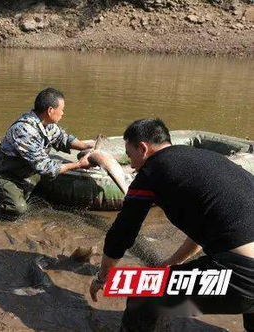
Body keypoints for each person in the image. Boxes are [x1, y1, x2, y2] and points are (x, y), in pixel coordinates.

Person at [89, 118, 254, 331]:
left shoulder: (152, 171)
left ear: (143, 148)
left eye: (130, 156)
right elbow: (202, 230)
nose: (131, 165)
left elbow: (121, 234)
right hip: (245, 270)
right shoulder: (206, 160)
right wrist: (170, 264)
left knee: (143, 293)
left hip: (242, 275)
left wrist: (102, 277)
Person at [0, 87, 94, 218]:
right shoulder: (25, 131)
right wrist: (79, 165)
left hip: (27, 171)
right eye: (62, 109)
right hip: (5, 176)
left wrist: (85, 146)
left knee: (43, 192)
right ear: (50, 110)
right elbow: (47, 168)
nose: (63, 113)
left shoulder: (46, 123)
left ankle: (23, 192)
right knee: (18, 209)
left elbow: (61, 138)